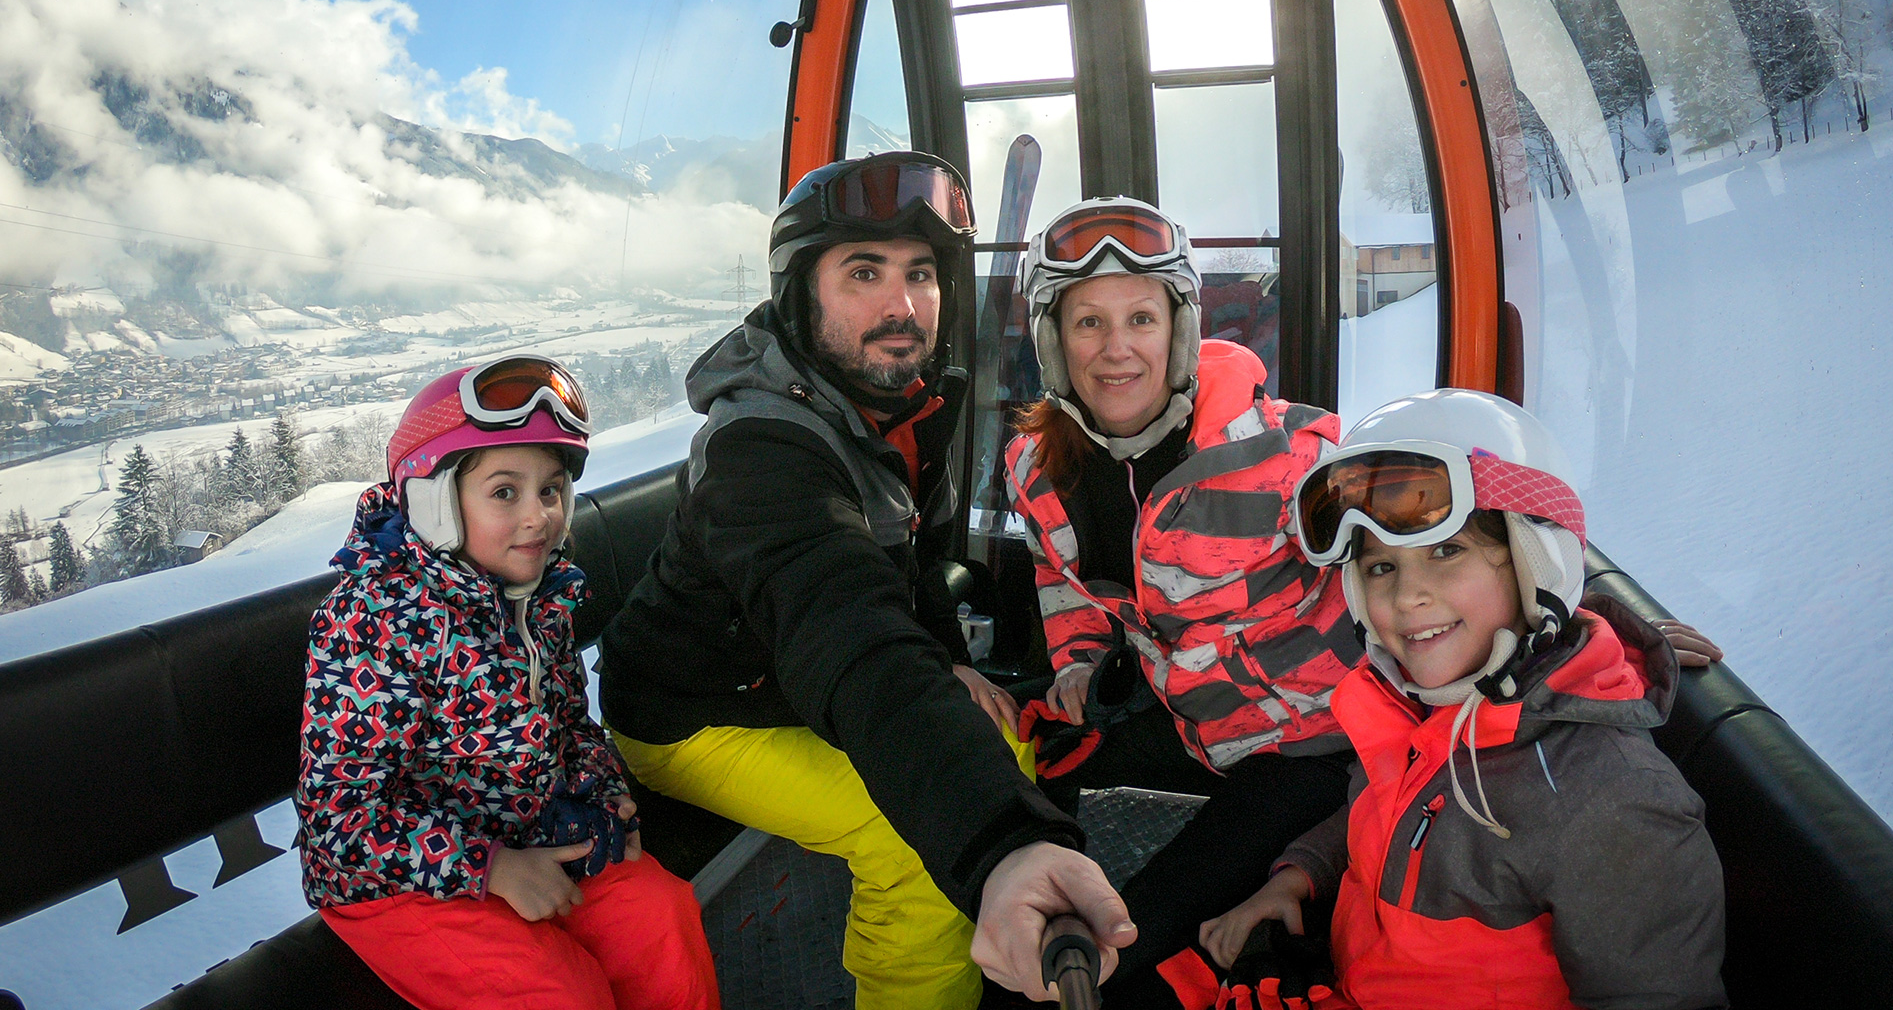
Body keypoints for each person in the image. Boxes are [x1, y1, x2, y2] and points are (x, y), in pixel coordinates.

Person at [593, 151, 1129, 1009]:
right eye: (864, 273)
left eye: (921, 274)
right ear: (803, 296)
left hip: (783, 679)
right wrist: (1001, 845)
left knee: (1005, 735)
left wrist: (950, 661)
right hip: (695, 713)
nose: (902, 305)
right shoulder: (763, 453)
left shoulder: (894, 408)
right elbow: (845, 632)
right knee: (908, 842)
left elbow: (907, 566)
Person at [1197, 389, 1727, 1009]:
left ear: (1536, 563)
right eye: (1380, 568)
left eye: (1446, 552)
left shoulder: (1612, 802)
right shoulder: (1431, 708)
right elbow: (1397, 809)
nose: (1406, 598)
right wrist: (1302, 873)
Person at [1003, 197, 1361, 1005]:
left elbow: (1441, 530)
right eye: (1087, 322)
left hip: (1310, 749)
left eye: (1142, 318)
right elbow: (1061, 588)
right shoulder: (1036, 469)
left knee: (1121, 941)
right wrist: (1083, 664)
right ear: (1055, 343)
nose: (1117, 349)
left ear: (1182, 332)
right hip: (1188, 719)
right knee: (1018, 773)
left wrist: (1597, 618)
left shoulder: (1284, 454)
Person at [295, 355, 719, 1010]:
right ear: (434, 501)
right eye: (504, 491)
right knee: (559, 994)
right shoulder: (373, 622)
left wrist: (604, 803)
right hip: (399, 879)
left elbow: (573, 728)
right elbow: (340, 821)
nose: (539, 516)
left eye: (550, 490)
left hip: (531, 835)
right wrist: (489, 868)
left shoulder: (538, 597)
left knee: (660, 918)